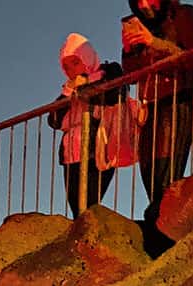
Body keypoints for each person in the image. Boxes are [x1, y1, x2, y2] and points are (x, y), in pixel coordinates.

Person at [122, 0, 193, 224]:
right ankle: (161, 227)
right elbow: (130, 75)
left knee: (166, 174)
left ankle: (167, 229)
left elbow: (192, 56)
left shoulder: (183, 14)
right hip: (149, 106)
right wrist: (129, 50)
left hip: (177, 99)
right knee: (150, 173)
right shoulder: (142, 26)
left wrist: (153, 42)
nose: (145, 4)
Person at [47, 34, 125, 217]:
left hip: (97, 149)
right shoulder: (67, 89)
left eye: (75, 63)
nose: (70, 70)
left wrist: (84, 86)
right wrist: (68, 92)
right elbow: (54, 120)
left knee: (88, 204)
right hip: (70, 155)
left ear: (86, 57)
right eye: (66, 66)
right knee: (77, 208)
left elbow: (112, 97)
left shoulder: (109, 72)